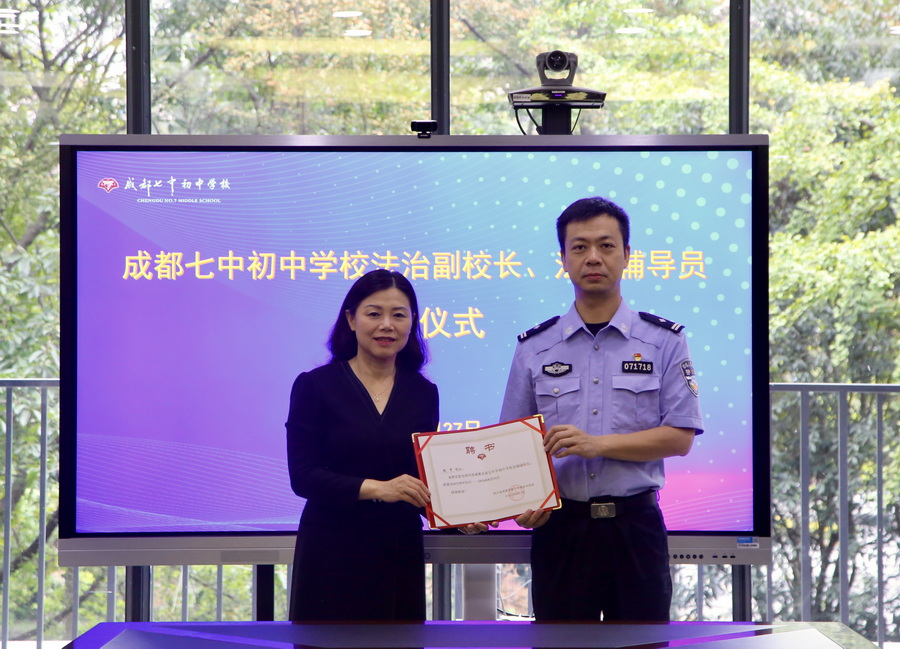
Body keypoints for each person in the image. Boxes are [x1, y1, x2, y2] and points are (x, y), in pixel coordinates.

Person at [500, 196, 704, 622]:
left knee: (642, 643)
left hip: (635, 529)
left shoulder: (664, 341)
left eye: (606, 245)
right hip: (561, 530)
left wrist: (598, 445)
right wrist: (523, 501)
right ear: (563, 259)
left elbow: (680, 437)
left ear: (627, 254)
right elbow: (513, 445)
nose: (593, 257)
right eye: (579, 247)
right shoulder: (534, 347)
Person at [285, 269, 438, 621]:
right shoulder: (315, 386)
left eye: (398, 315)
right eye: (374, 313)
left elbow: (420, 480)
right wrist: (379, 489)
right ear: (351, 320)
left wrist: (460, 515)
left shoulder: (423, 392)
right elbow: (303, 477)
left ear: (412, 323)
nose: (387, 325)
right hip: (331, 549)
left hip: (399, 550)